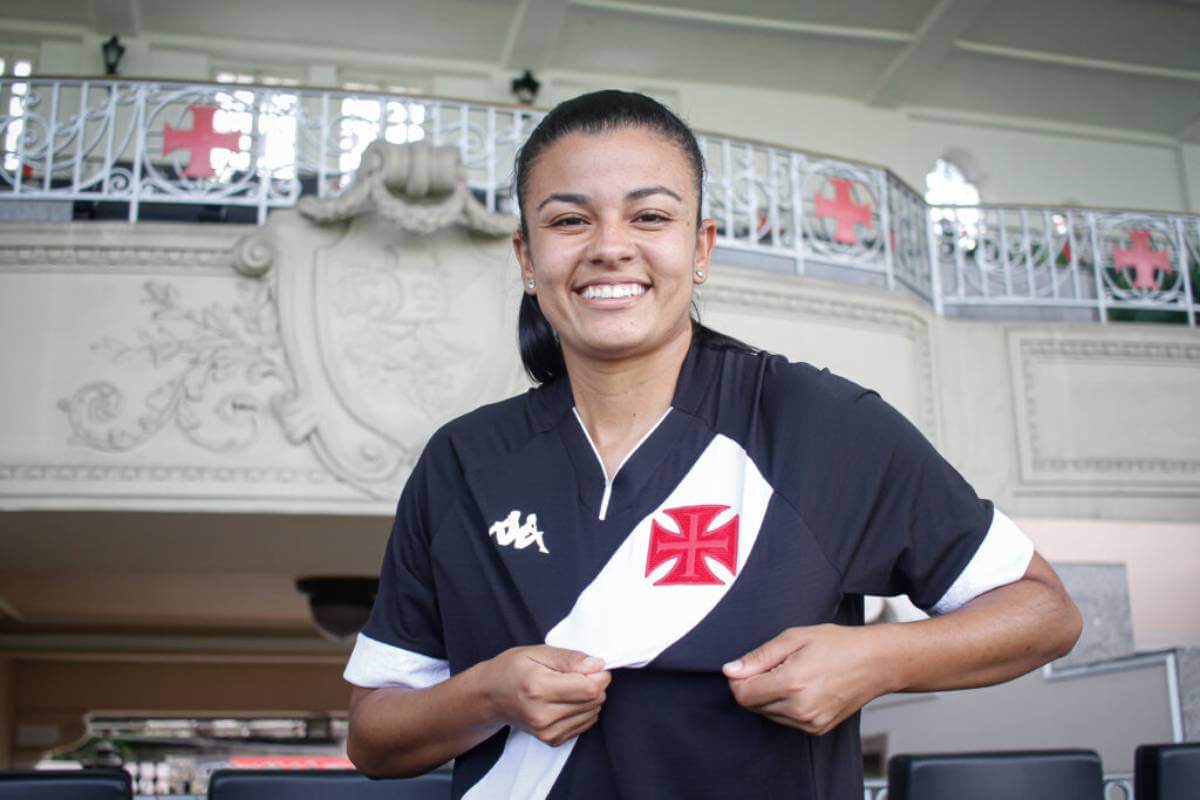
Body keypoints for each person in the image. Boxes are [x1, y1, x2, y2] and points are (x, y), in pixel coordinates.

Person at [343, 90, 1082, 799]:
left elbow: (1043, 612)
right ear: (527, 259)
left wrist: (876, 659)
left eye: (650, 216)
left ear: (700, 248)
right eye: (570, 222)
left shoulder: (818, 424)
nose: (610, 247)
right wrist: (488, 693)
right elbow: (374, 737)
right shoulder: (464, 463)